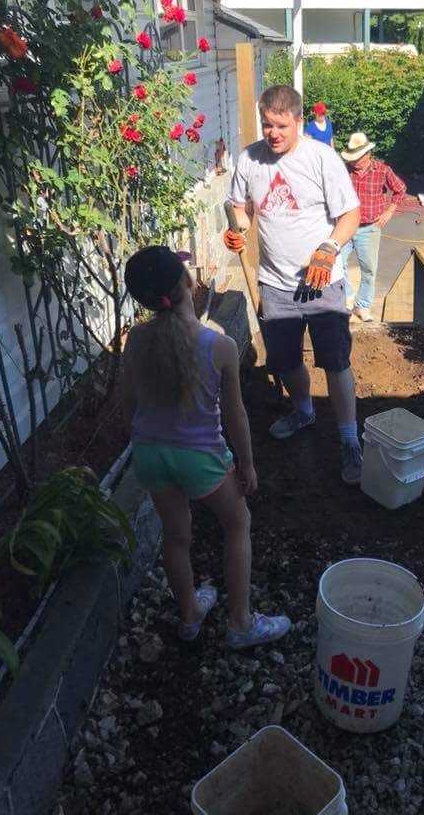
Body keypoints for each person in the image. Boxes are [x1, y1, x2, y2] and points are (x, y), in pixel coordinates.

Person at [120, 245, 290, 649]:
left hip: (149, 454)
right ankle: (241, 622)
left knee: (176, 536)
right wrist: (245, 464)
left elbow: (127, 403)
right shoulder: (219, 346)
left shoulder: (134, 340)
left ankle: (191, 613)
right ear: (185, 283)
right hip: (200, 459)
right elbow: (236, 416)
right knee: (237, 524)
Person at [223, 85, 363, 485]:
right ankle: (303, 410)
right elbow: (240, 206)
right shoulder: (250, 159)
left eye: (281, 126)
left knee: (335, 361)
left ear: (299, 121)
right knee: (284, 360)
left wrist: (329, 247)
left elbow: (350, 214)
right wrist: (239, 230)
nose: (273, 133)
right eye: (267, 125)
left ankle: (349, 439)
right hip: (275, 283)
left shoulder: (321, 158)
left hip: (322, 281)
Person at [341, 132, 407, 322]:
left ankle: (363, 305)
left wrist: (389, 211)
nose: (353, 162)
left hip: (369, 228)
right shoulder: (343, 170)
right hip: (345, 225)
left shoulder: (382, 171)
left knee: (369, 269)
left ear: (367, 154)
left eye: (356, 158)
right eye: (351, 158)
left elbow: (400, 189)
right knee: (337, 265)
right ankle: (346, 300)